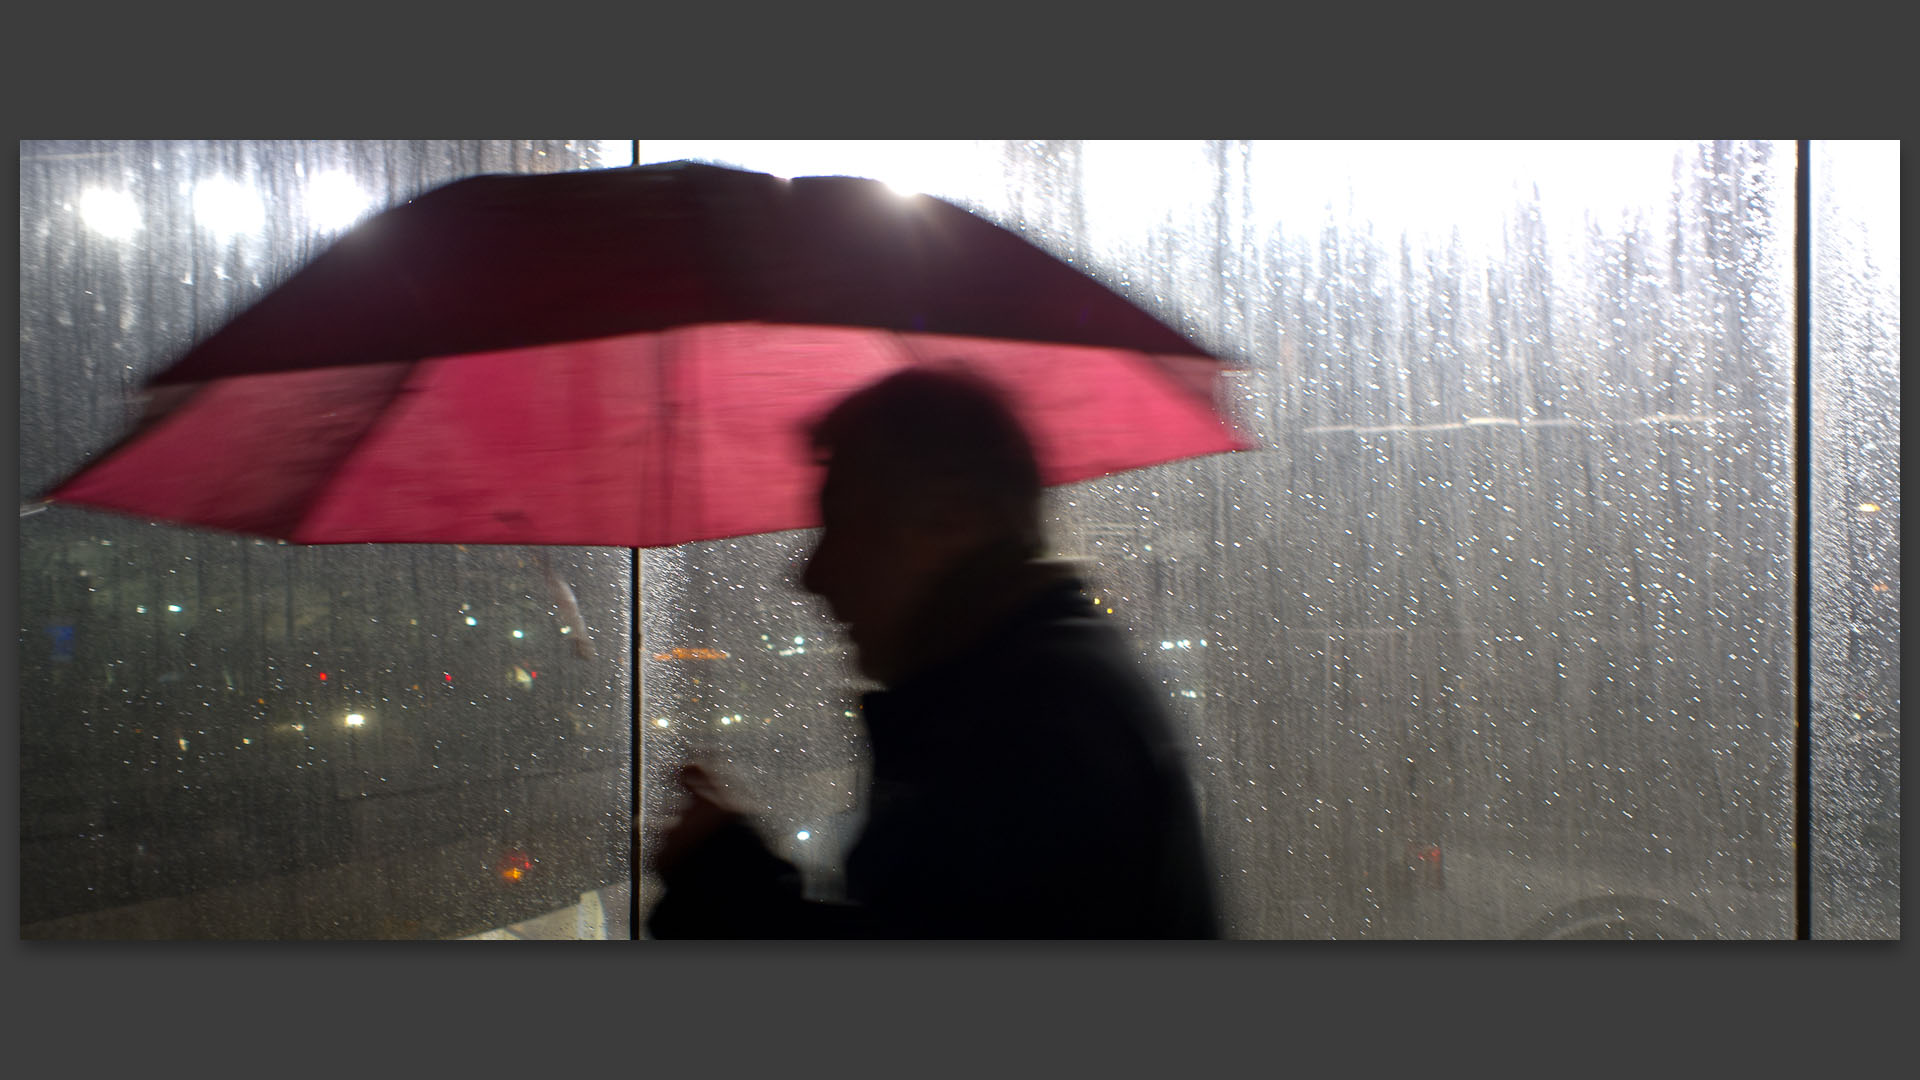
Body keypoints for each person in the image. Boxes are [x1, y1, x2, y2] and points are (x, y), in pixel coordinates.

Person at [645, 368, 1220, 938]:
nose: (809, 574)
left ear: (950, 521)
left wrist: (726, 887)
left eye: (843, 521)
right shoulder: (1029, 696)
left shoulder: (1034, 726)